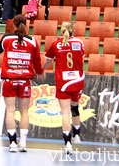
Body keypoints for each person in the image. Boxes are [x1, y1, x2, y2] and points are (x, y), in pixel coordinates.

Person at [0, 14, 43, 152]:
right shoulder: (32, 41)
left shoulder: (7, 38)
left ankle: (12, 143)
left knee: (10, 111)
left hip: (9, 79)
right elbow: (37, 61)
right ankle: (24, 143)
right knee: (24, 112)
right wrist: (40, 71)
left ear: (13, 25)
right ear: (26, 25)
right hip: (25, 80)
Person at [42, 22, 86, 154]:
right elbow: (81, 58)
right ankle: (77, 135)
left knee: (65, 112)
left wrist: (42, 69)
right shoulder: (79, 43)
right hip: (77, 80)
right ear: (73, 31)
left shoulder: (56, 44)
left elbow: (48, 61)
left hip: (63, 82)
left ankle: (68, 143)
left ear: (62, 31)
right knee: (74, 107)